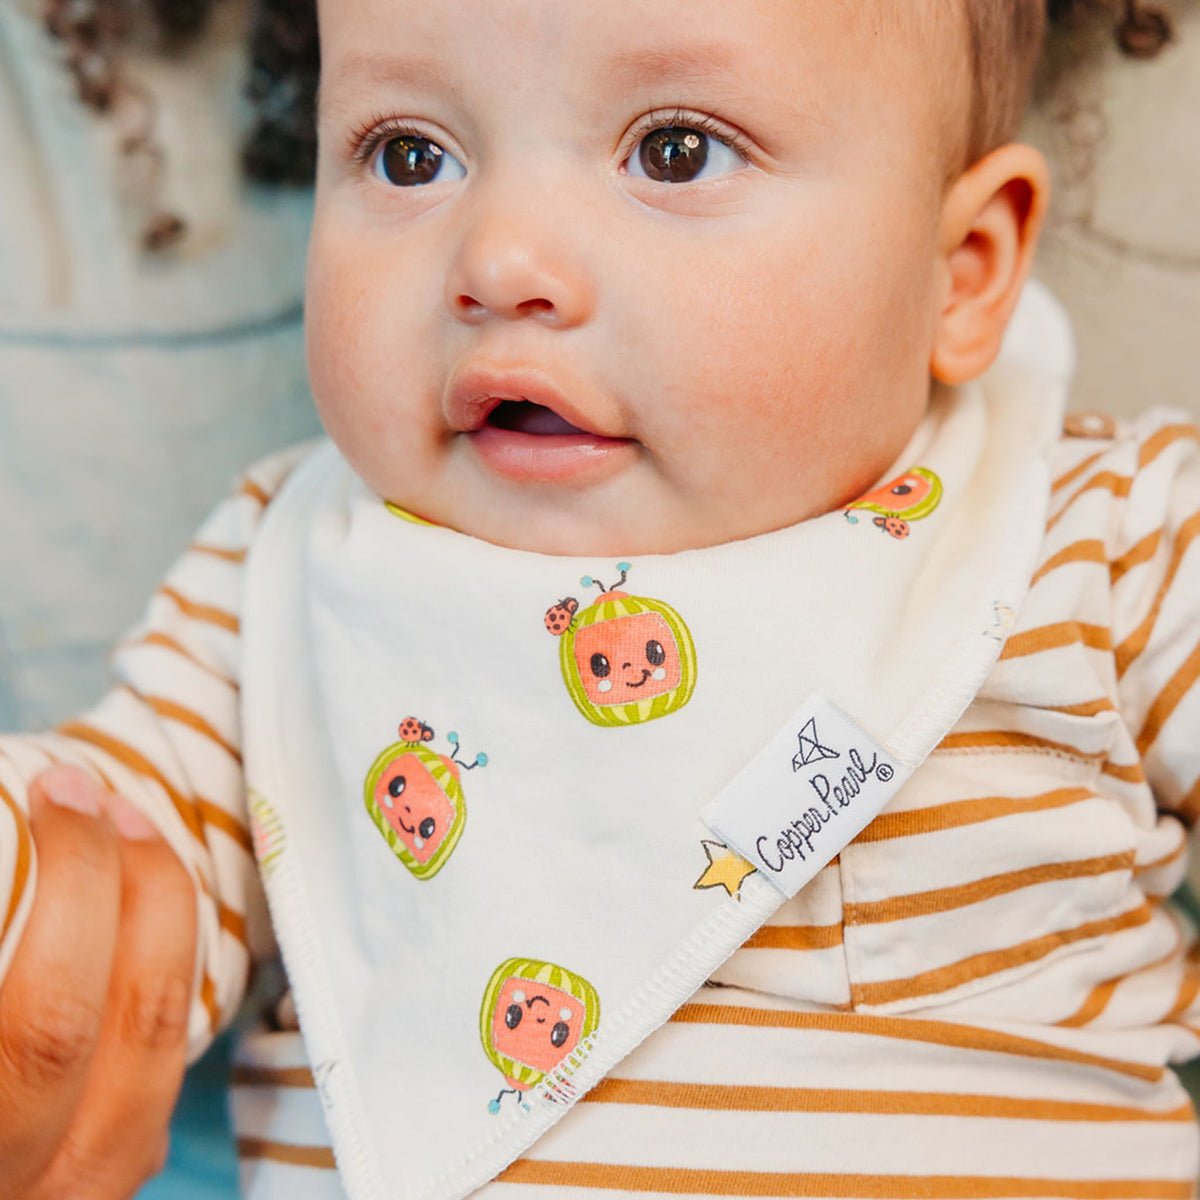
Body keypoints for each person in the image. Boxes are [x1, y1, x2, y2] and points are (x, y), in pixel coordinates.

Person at [1, 1, 1198, 1198]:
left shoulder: (1104, 545)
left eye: (676, 150)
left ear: (962, 269)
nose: (501, 261)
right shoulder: (288, 579)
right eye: (409, 153)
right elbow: (97, 877)